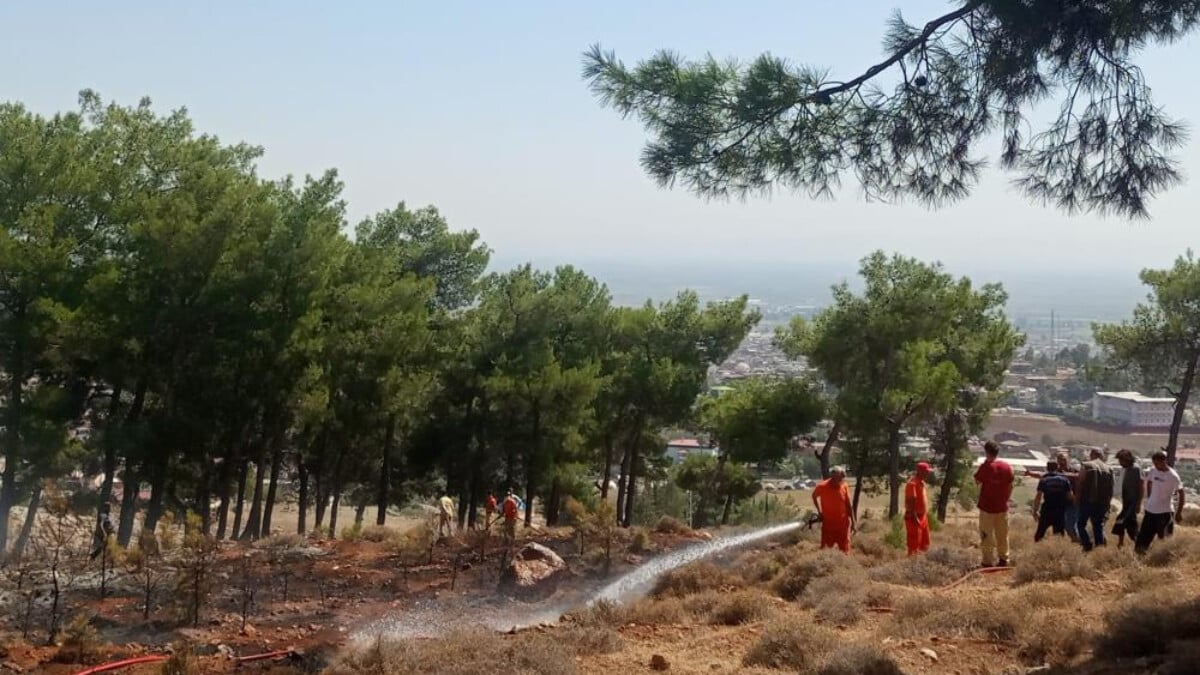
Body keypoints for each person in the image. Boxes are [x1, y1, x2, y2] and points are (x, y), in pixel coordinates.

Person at [1135, 450, 1184, 556]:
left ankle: (1163, 562)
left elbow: (1181, 493)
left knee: (1165, 541)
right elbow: (1145, 481)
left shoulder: (1173, 476)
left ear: (1164, 461)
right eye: (1154, 463)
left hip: (1164, 512)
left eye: (1158, 463)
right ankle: (1139, 559)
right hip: (1150, 511)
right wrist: (1146, 499)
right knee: (1142, 539)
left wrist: (1179, 512)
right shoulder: (1153, 471)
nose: (1156, 466)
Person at [975, 441, 1014, 567]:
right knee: (1002, 534)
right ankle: (1004, 559)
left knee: (986, 535)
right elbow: (1010, 485)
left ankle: (987, 561)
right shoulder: (1007, 467)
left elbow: (977, 481)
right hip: (1002, 507)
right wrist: (1006, 499)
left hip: (987, 507)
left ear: (986, 452)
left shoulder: (985, 467)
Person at [1076, 448, 1114, 551]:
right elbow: (1111, 488)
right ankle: (1099, 549)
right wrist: (1108, 504)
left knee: (1081, 525)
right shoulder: (1109, 469)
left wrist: (1077, 499)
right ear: (1101, 456)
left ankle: (1087, 545)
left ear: (1092, 455)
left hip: (1087, 501)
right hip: (1102, 503)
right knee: (1098, 526)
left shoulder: (1087, 465)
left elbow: (1080, 482)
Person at [811, 466, 855, 553]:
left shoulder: (844, 486)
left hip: (843, 525)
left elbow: (848, 505)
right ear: (832, 477)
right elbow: (814, 496)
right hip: (828, 525)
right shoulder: (822, 486)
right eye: (837, 478)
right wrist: (819, 512)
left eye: (841, 478)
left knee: (845, 550)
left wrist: (853, 522)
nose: (839, 480)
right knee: (826, 550)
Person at [1032, 460, 1073, 542]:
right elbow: (1070, 496)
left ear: (1047, 468)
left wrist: (1035, 511)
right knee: (1059, 535)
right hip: (1060, 510)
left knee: (1039, 535)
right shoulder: (1064, 480)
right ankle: (1057, 552)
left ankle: (1038, 551)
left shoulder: (1044, 480)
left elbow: (1038, 496)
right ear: (1057, 467)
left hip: (1047, 509)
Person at [1112, 449, 1143, 548]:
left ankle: (1132, 544)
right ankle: (1131, 544)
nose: (1120, 462)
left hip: (1132, 503)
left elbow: (1141, 486)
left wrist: (1138, 503)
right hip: (1126, 502)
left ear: (1127, 459)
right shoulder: (1126, 469)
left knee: (1122, 521)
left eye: (1121, 460)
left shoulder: (1135, 469)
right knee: (1129, 525)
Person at [904, 462, 933, 555]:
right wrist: (914, 516)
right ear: (920, 472)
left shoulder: (921, 483)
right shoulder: (912, 484)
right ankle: (912, 565)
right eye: (926, 472)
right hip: (914, 517)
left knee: (925, 543)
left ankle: (921, 563)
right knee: (914, 545)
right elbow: (911, 500)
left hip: (922, 517)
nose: (928, 474)